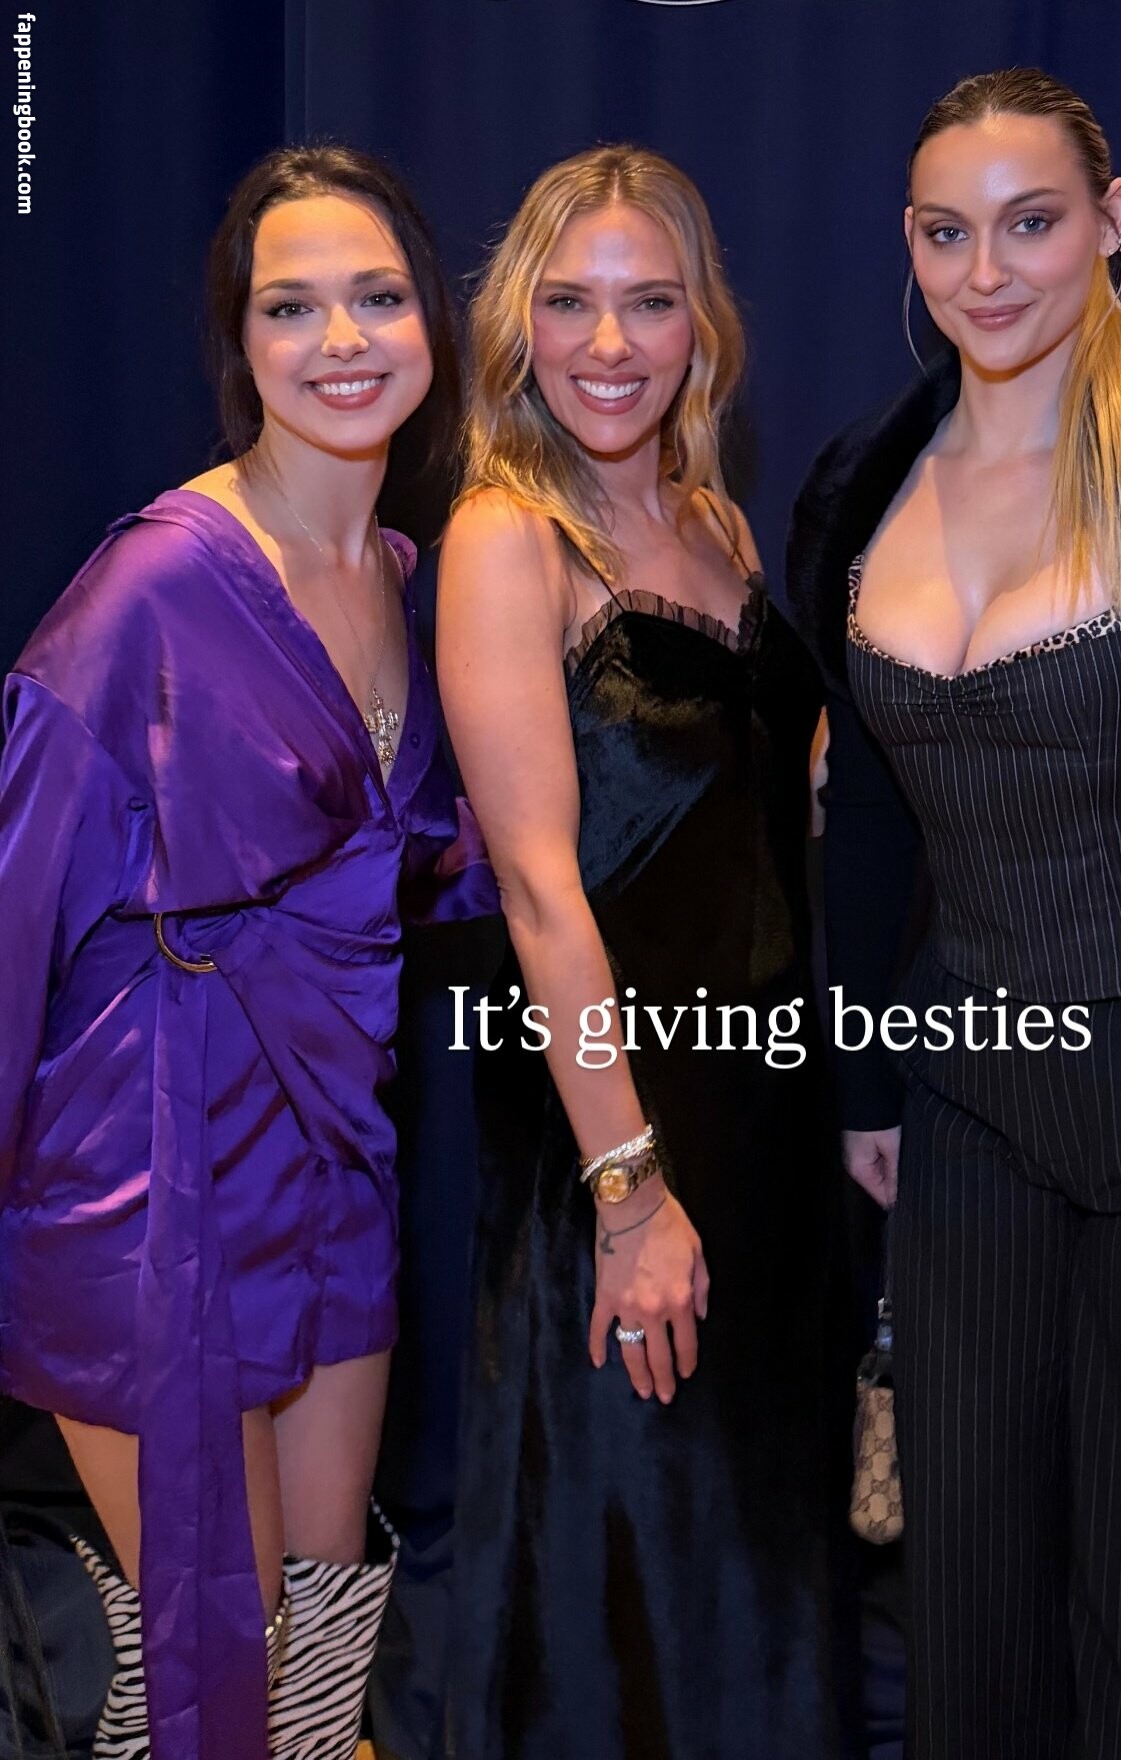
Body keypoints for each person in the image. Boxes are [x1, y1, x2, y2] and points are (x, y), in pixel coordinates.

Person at [788, 67, 1121, 1760]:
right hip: (969, 1085)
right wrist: (867, 1078)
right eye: (948, 233)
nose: (988, 271)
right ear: (909, 243)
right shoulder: (859, 483)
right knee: (972, 1568)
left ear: (1112, 220)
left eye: (1031, 223)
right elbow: (869, 815)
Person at [0, 144, 494, 1760]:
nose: (341, 340)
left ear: (433, 326)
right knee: (221, 1641)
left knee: (327, 1622)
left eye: (378, 297)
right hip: (152, 1157)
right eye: (292, 307)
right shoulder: (156, 581)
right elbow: (14, 896)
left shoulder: (401, 574)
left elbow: (409, 870)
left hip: (333, 1143)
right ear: (241, 339)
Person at [437, 145, 857, 1760]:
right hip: (618, 1129)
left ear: (704, 326)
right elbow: (538, 889)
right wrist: (629, 1192)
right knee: (638, 1580)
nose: (608, 345)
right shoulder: (508, 537)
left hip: (769, 1117)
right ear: (518, 327)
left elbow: (778, 824)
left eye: (650, 303)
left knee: (761, 1565)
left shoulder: (719, 523)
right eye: (569, 303)